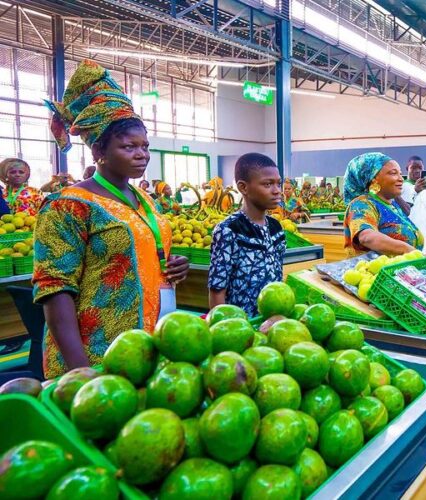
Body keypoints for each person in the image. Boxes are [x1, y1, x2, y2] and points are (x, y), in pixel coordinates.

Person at [35, 60, 189, 378]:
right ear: (99, 151)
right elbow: (55, 291)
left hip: (146, 345)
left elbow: (136, 252)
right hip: (96, 353)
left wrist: (173, 264)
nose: (141, 154)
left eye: (145, 146)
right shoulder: (68, 206)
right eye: (128, 146)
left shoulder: (144, 199)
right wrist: (82, 371)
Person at [208, 153, 286, 317]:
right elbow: (217, 290)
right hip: (240, 325)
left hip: (271, 322)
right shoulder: (228, 230)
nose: (277, 191)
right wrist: (223, 327)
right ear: (243, 187)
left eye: (279, 183)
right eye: (267, 184)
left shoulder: (276, 228)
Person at [343, 153, 423, 256]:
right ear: (373, 179)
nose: (401, 178)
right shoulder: (361, 205)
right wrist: (407, 250)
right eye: (393, 173)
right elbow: (366, 237)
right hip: (372, 270)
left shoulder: (392, 205)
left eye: (400, 173)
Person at [398, 155, 426, 253]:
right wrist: (415, 190)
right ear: (407, 169)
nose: (417, 171)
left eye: (420, 168)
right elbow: (403, 212)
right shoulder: (402, 187)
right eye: (413, 167)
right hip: (411, 237)